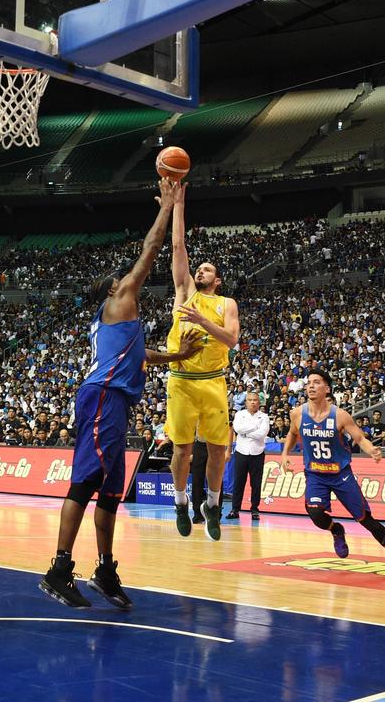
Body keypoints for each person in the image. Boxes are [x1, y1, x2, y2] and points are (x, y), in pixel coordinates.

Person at [39, 178, 201, 610]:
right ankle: (58, 568)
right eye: (122, 279)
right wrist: (167, 206)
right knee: (86, 482)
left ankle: (105, 570)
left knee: (110, 491)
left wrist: (174, 355)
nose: (130, 282)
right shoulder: (120, 299)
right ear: (113, 289)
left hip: (115, 400)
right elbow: (149, 251)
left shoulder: (117, 325)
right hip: (103, 396)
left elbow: (139, 355)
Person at [279, 369, 385, 575]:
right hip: (315, 474)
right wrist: (285, 454)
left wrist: (372, 451)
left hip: (340, 474)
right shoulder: (297, 413)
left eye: (316, 382)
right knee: (314, 512)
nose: (311, 386)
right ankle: (336, 529)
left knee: (365, 520)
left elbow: (360, 438)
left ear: (327, 389)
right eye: (309, 383)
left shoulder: (340, 415)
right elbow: (291, 433)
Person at [166, 182, 241, 542]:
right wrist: (178, 203)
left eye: (208, 269)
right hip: (181, 381)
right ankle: (181, 502)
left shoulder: (226, 303)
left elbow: (231, 339)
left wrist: (202, 322)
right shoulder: (184, 292)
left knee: (217, 451)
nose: (201, 271)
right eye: (199, 268)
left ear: (218, 279)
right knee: (182, 451)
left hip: (214, 380)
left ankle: (211, 504)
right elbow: (178, 245)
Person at [227, 391, 269, 520]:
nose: (252, 402)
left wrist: (245, 433)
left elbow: (262, 434)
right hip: (241, 452)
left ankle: (255, 509)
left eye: (255, 400)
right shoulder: (240, 414)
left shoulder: (264, 416)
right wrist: (254, 428)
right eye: (250, 400)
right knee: (238, 482)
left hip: (257, 453)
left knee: (256, 484)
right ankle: (235, 509)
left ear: (259, 402)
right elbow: (238, 429)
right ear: (246, 402)